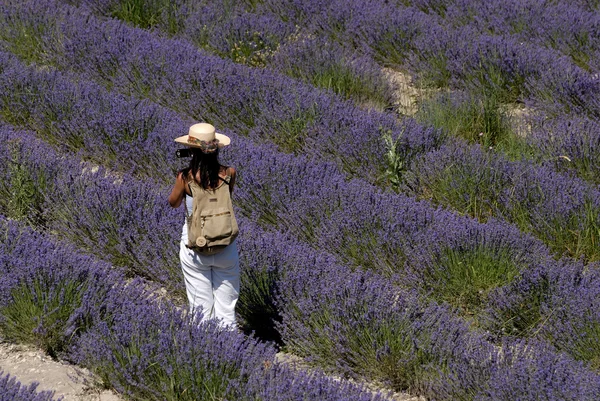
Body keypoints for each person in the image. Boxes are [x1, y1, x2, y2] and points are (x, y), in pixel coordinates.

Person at [167, 122, 239, 329]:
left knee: (200, 308)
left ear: (192, 150)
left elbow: (173, 203)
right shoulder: (229, 173)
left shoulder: (185, 177)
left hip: (194, 246)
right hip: (225, 244)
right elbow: (225, 197)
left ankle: (206, 350)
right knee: (226, 308)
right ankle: (230, 354)